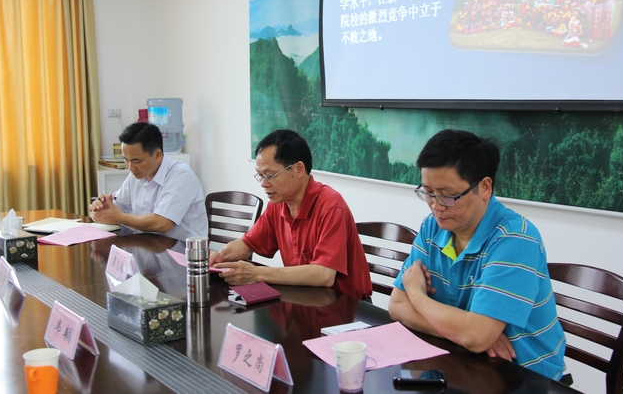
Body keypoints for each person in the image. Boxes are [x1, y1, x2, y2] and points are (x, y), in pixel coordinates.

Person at [388, 129, 566, 380]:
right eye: (428, 192)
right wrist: (463, 333)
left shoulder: (514, 239)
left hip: (523, 377)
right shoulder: (432, 227)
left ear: (484, 187)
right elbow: (397, 306)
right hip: (462, 361)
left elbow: (475, 335)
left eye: (448, 195)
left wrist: (416, 294)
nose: (436, 206)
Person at [209, 129, 372, 300]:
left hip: (347, 305)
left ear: (298, 169)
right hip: (305, 298)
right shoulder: (278, 203)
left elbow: (324, 275)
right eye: (260, 175)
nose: (263, 183)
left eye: (270, 175)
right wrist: (220, 257)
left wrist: (257, 273)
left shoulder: (331, 206)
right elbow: (248, 243)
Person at [90, 122, 207, 241]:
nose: (130, 167)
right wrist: (104, 208)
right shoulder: (136, 175)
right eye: (126, 160)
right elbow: (118, 206)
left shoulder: (181, 175)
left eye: (137, 161)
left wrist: (119, 217)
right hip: (147, 247)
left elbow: (162, 223)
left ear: (157, 155)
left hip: (182, 250)